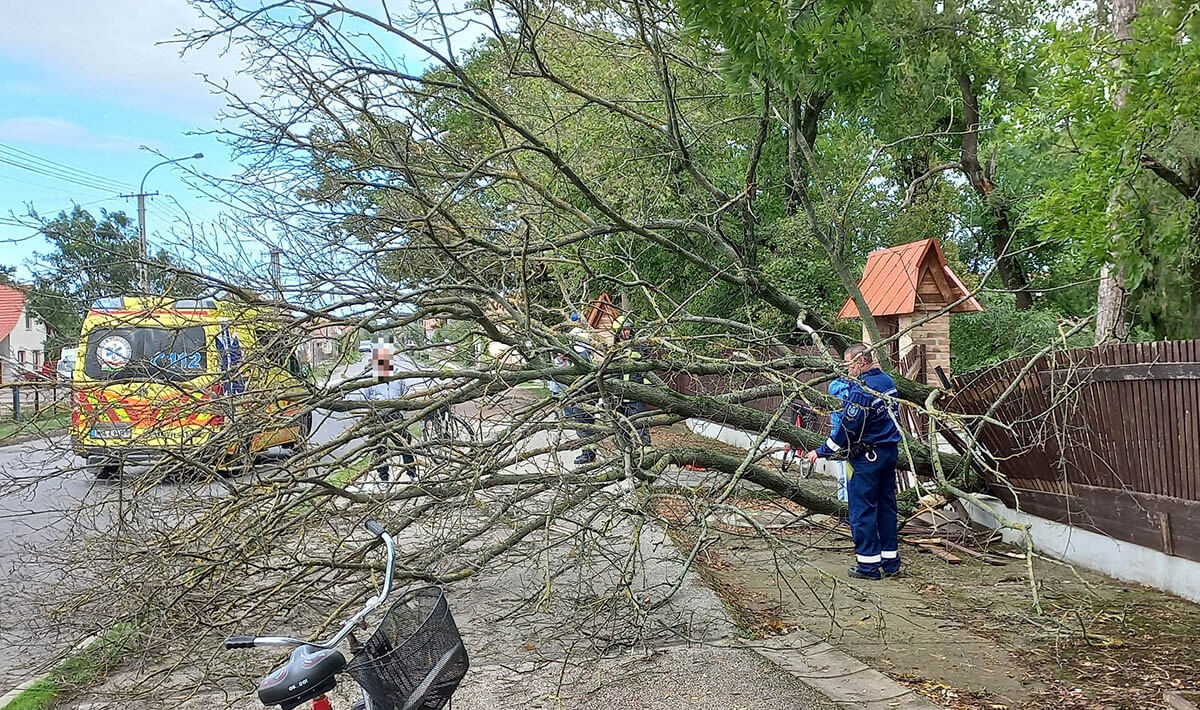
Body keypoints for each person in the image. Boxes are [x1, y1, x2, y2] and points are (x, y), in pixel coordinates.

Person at [806, 344, 902, 580]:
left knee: (863, 510)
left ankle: (868, 566)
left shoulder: (862, 389)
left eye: (849, 365)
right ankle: (891, 563)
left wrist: (821, 451)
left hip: (868, 458)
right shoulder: (887, 383)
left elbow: (848, 428)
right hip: (889, 452)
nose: (848, 370)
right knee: (887, 507)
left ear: (860, 362)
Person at [363, 342, 417, 483]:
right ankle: (384, 478)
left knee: (404, 442)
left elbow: (404, 393)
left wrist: (401, 410)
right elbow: (366, 397)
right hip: (377, 416)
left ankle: (412, 474)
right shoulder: (370, 376)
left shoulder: (398, 374)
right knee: (380, 447)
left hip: (395, 414)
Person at [611, 315, 651, 446]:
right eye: (625, 329)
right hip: (619, 397)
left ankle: (646, 452)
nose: (628, 332)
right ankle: (626, 455)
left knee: (641, 427)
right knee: (621, 429)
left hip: (636, 395)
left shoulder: (640, 346)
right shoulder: (614, 350)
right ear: (618, 332)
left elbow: (648, 369)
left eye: (629, 329)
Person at [827, 376, 853, 503]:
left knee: (842, 476)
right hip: (844, 436)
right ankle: (844, 506)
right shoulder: (848, 390)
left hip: (836, 434)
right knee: (846, 476)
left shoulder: (834, 386)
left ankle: (841, 504)